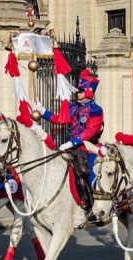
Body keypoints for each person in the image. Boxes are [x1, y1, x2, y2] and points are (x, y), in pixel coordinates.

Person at [35, 69, 104, 225]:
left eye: (80, 91)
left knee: (89, 174)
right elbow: (60, 119)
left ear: (89, 92)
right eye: (78, 91)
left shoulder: (95, 110)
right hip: (72, 147)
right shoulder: (74, 107)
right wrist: (43, 111)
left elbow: (89, 132)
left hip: (89, 147)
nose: (77, 94)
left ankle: (93, 207)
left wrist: (72, 142)